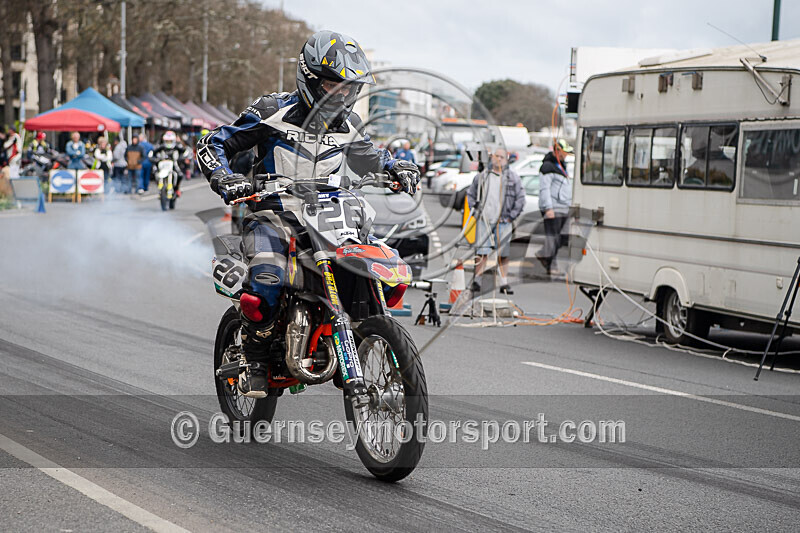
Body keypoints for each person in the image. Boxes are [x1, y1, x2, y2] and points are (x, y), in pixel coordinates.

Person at [196, 29, 420, 397]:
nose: (342, 94)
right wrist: (225, 177)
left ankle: (363, 331)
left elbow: (372, 158)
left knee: (377, 262)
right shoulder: (272, 110)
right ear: (310, 78)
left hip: (332, 216)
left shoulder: (348, 126)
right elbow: (214, 142)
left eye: (350, 88)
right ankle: (254, 359)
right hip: (274, 215)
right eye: (334, 85)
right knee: (266, 278)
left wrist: (397, 167)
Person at [466, 147, 525, 295]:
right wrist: (476, 210)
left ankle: (503, 282)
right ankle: (477, 280)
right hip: (484, 218)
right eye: (496, 156)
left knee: (503, 253)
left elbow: (520, 198)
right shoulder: (482, 176)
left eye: (501, 157)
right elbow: (471, 194)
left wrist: (512, 216)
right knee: (481, 252)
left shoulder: (513, 178)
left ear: (506, 159)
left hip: (504, 220)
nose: (498, 159)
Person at [537, 139, 573, 276]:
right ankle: (551, 265)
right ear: (557, 151)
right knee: (553, 237)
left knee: (563, 237)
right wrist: (548, 208)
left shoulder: (562, 166)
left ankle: (544, 255)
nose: (566, 155)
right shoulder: (547, 167)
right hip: (553, 207)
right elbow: (544, 189)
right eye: (564, 152)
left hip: (563, 207)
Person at [151, 130, 185, 195]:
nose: (169, 143)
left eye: (170, 141)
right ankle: (160, 186)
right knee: (155, 173)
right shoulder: (161, 146)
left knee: (180, 175)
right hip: (163, 164)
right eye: (167, 141)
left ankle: (176, 189)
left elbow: (184, 152)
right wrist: (155, 159)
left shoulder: (177, 146)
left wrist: (181, 158)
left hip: (173, 163)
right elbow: (152, 153)